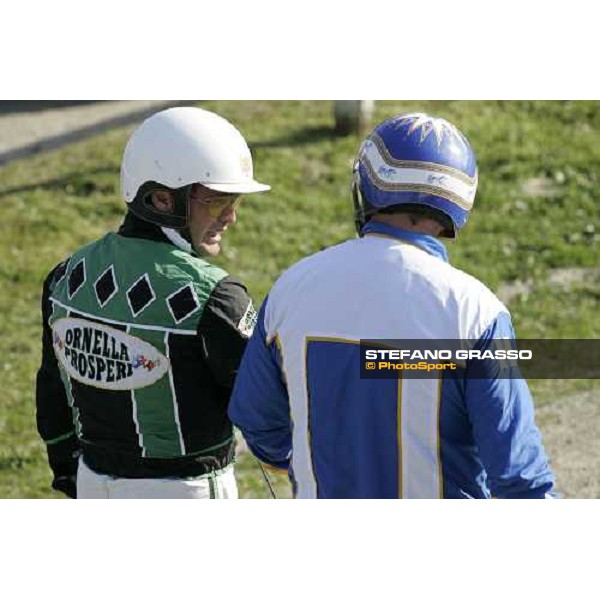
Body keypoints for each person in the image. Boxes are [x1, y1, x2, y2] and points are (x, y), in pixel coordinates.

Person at [228, 112, 556, 499]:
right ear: (458, 202)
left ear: (366, 186)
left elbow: (257, 420)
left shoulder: (291, 289)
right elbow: (518, 473)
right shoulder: (477, 312)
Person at [36, 106, 270, 498]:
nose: (230, 217)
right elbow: (272, 399)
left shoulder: (65, 277)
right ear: (161, 199)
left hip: (90, 484)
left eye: (235, 202)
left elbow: (51, 393)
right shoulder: (214, 297)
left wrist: (66, 471)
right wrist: (397, 358)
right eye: (216, 200)